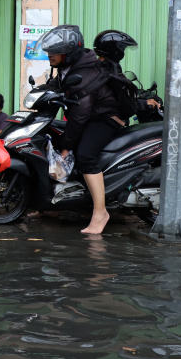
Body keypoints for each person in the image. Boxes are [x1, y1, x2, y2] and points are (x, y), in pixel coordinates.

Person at [38, 24, 124, 235]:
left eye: (55, 52)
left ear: (69, 53)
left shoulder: (84, 72)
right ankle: (55, 206)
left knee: (85, 155)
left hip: (107, 118)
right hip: (91, 116)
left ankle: (100, 212)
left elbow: (80, 116)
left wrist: (68, 147)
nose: (50, 55)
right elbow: (56, 86)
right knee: (53, 137)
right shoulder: (70, 67)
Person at [93, 29, 161, 118]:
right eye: (122, 49)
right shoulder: (109, 74)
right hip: (107, 120)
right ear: (115, 49)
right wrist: (144, 104)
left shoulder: (99, 67)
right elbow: (126, 107)